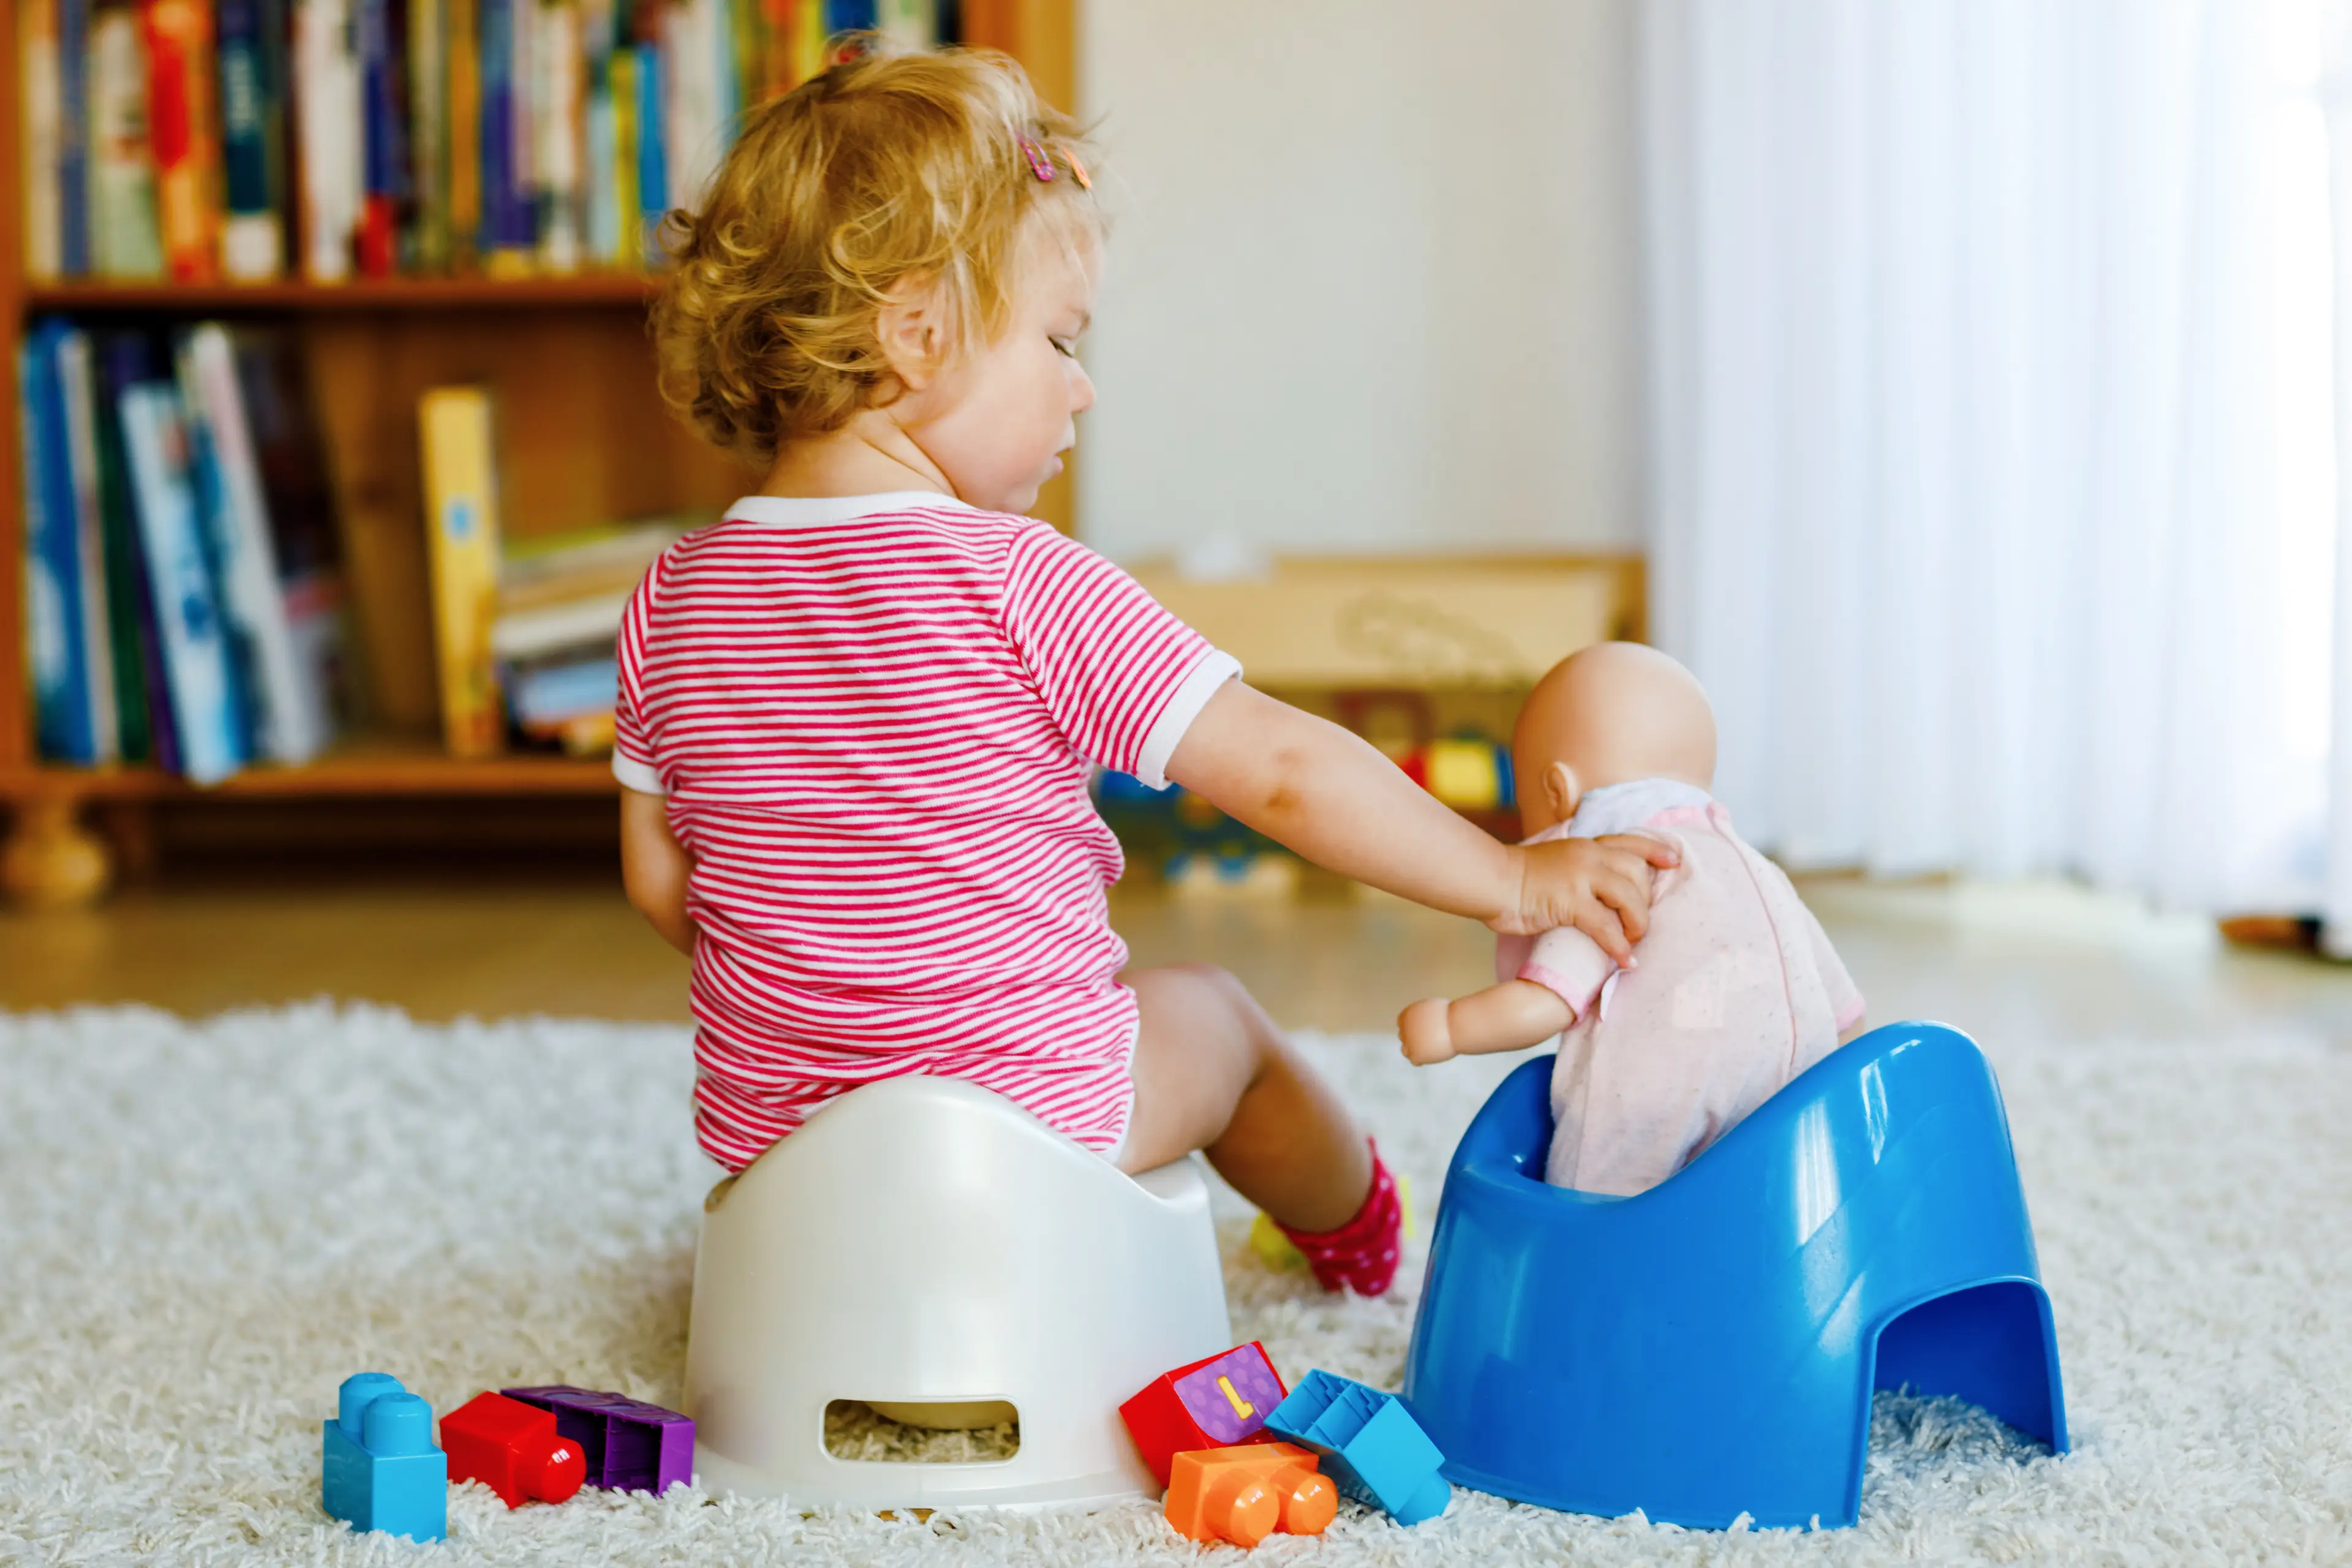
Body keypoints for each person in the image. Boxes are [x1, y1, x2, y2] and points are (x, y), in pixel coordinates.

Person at [616, 42, 1675, 1295]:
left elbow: (662, 885)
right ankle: (1355, 1229)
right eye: (1058, 340)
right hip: (1038, 1123)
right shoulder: (1024, 577)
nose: (1081, 389)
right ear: (917, 334)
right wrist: (1507, 876)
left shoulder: (667, 597)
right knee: (1216, 1013)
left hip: (782, 1153)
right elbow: (1282, 772)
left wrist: (836, 970)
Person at [1398, 643, 1866, 1196]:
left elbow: (1543, 1004)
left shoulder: (1609, 867)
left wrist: (1449, 1026)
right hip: (1793, 1106)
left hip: (1656, 1105)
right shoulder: (1760, 870)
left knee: (1591, 1199)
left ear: (1556, 791)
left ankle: (1588, 1241)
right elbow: (1847, 1017)